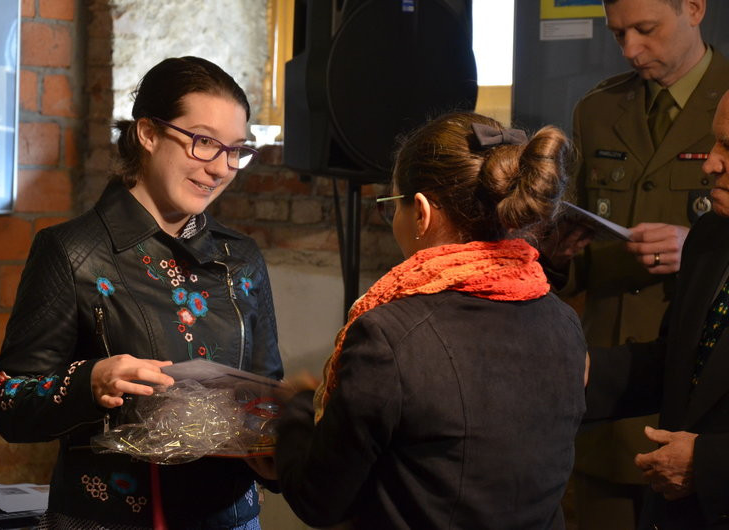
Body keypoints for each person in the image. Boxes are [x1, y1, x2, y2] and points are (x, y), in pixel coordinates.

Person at [0, 56, 283, 529]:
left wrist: (285, 443)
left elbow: (266, 398)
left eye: (236, 150)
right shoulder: (72, 252)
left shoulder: (240, 259)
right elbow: (9, 400)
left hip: (230, 519)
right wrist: (91, 382)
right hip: (109, 517)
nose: (220, 168)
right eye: (204, 142)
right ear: (147, 133)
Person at [273, 112, 587, 529]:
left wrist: (295, 409)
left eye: (392, 206)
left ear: (420, 212)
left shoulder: (388, 338)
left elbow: (320, 500)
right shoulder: (563, 321)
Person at [545, 0, 729, 527]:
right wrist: (557, 258)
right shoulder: (599, 109)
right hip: (619, 384)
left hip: (702, 406)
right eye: (618, 33)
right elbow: (579, 256)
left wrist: (692, 243)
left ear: (693, 9)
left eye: (646, 30)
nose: (630, 50)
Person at [584, 88, 729, 529]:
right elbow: (679, 362)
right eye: (716, 141)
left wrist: (707, 465)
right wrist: (581, 372)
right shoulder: (711, 237)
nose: (710, 162)